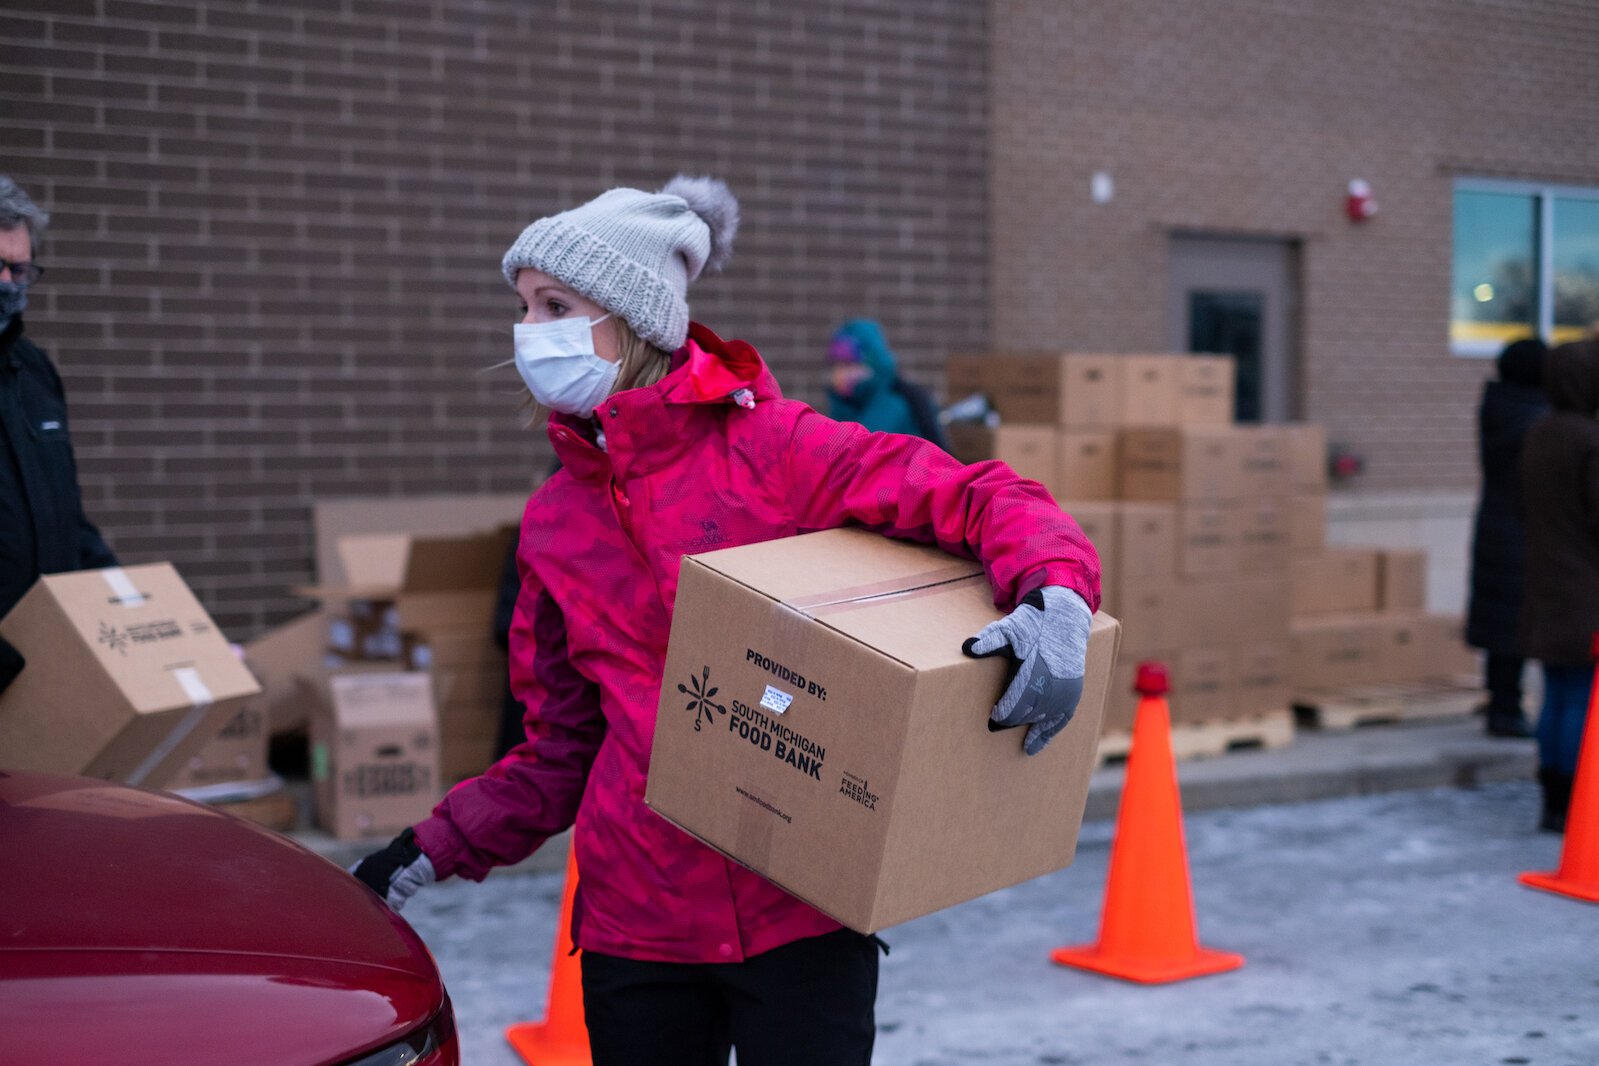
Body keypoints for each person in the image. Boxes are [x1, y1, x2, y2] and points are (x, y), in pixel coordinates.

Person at [352, 176, 1100, 1065]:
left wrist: (1053, 594)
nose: (529, 333)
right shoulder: (556, 523)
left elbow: (979, 495)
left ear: (636, 318)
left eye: (555, 304)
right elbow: (558, 752)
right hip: (636, 927)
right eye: (521, 307)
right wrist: (426, 849)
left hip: (800, 908)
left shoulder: (777, 454)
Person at [0, 176, 117, 692]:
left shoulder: (34, 373)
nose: (7, 282)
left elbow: (67, 521)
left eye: (18, 268)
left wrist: (130, 603)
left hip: (45, 673)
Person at [1519, 339, 1599, 833]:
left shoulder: (1538, 434)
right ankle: (1571, 802)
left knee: (1555, 694)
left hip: (1545, 585)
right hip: (1585, 592)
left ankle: (1551, 797)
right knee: (1580, 697)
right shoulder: (1590, 440)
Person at [1465, 337, 1548, 738]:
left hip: (1496, 523)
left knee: (1502, 623)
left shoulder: (1498, 405)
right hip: (1524, 529)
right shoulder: (1536, 415)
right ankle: (1506, 708)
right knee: (1514, 622)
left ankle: (1501, 701)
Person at [826, 317, 949, 448]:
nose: (839, 373)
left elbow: (858, 453)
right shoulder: (846, 404)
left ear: (872, 363)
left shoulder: (892, 406)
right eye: (836, 365)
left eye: (849, 364)